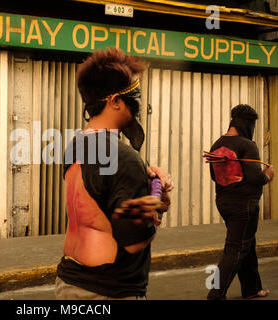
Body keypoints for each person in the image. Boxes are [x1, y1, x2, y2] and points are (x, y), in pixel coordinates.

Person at [55, 48, 173, 300]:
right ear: (115, 101)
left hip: (68, 282)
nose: (138, 104)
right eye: (134, 95)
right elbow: (133, 241)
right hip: (110, 290)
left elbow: (100, 201)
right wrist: (153, 203)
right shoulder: (125, 159)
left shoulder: (75, 145)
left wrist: (148, 186)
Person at [207, 104, 273, 300]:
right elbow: (256, 178)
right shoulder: (247, 145)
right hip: (243, 205)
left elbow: (214, 176)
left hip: (224, 202)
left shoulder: (216, 145)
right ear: (247, 123)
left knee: (247, 245)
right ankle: (215, 294)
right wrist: (268, 175)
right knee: (235, 250)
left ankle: (252, 289)